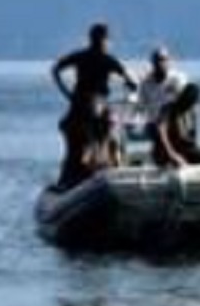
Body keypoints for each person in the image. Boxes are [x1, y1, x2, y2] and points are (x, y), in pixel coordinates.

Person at [51, 23, 138, 187]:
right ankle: (101, 171)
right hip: (94, 105)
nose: (107, 43)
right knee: (104, 137)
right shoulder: (107, 59)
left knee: (75, 147)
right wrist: (132, 85)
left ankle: (68, 179)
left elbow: (55, 70)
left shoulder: (81, 56)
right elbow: (130, 78)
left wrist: (67, 93)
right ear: (104, 40)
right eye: (107, 40)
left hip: (78, 105)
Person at [154, 82, 200, 169]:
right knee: (172, 160)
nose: (194, 104)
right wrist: (172, 155)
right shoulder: (168, 109)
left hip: (182, 150)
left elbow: (190, 138)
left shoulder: (191, 113)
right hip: (166, 151)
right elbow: (161, 132)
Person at [138, 46, 188, 124]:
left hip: (175, 122)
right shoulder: (145, 84)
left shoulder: (177, 78)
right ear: (152, 63)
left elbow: (185, 98)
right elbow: (142, 105)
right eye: (157, 60)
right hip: (154, 124)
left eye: (164, 59)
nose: (160, 63)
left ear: (169, 61)